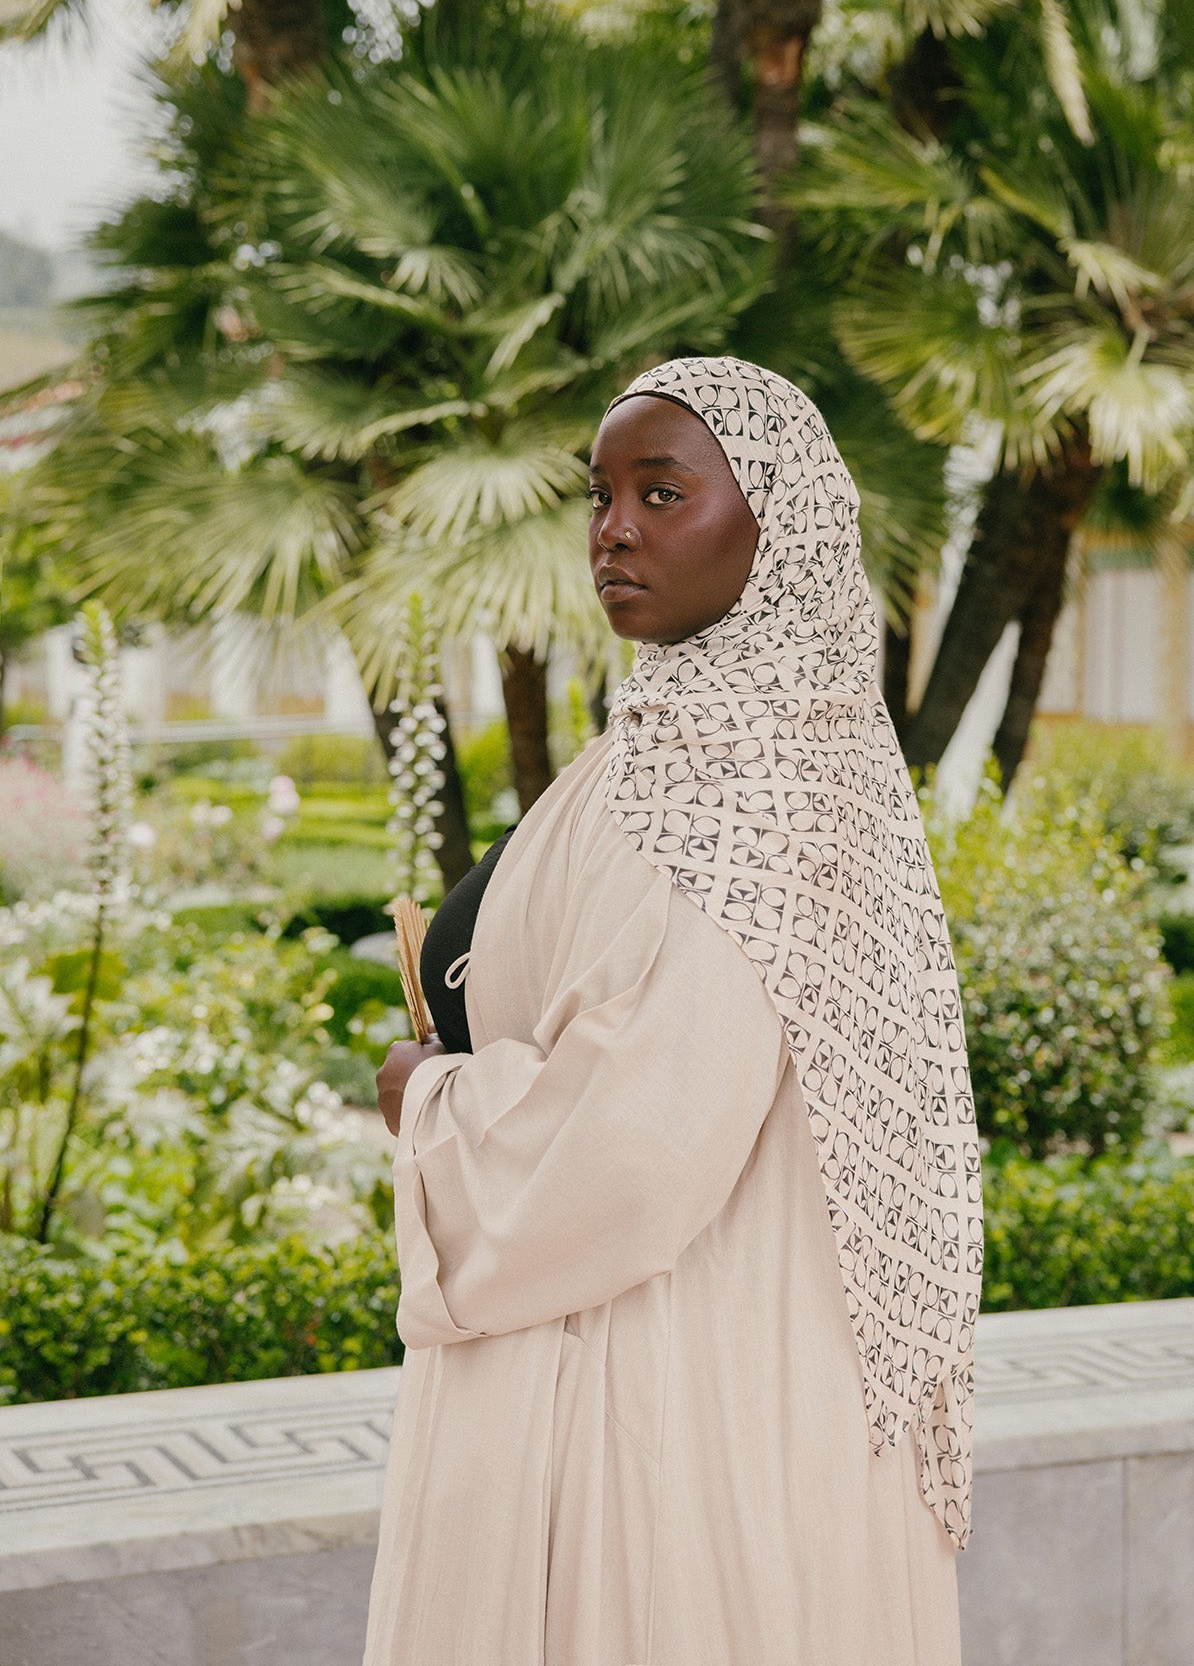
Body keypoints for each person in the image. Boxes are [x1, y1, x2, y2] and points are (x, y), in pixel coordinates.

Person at [365, 356, 982, 1666]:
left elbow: (637, 1142)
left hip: (677, 1398)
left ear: (780, 525)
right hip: (688, 1362)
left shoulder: (743, 776)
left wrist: (430, 1101)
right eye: (599, 495)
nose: (614, 530)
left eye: (662, 492)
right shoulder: (696, 736)